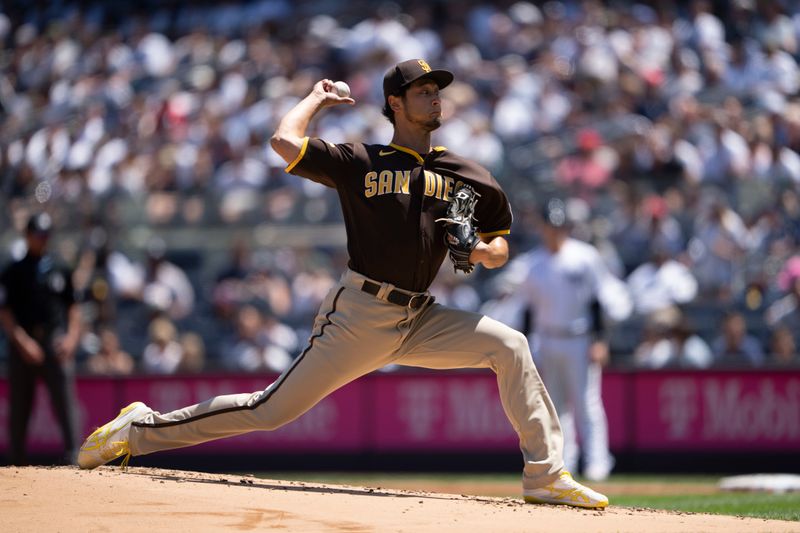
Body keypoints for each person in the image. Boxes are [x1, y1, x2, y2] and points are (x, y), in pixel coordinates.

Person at [76, 59, 608, 509]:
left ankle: (544, 475)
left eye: (437, 92)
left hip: (421, 317)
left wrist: (478, 249)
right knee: (269, 411)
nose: (435, 99)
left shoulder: (468, 174)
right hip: (359, 314)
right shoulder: (361, 160)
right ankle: (137, 431)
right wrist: (316, 97)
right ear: (395, 103)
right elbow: (285, 141)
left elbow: (498, 251)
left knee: (510, 344)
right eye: (423, 92)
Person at [506, 198, 632, 482]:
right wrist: (527, 346)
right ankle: (567, 462)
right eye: (551, 227)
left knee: (587, 402)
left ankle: (598, 462)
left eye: (560, 227)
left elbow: (598, 301)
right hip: (547, 338)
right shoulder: (533, 263)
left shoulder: (584, 257)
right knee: (555, 405)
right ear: (543, 228)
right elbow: (526, 309)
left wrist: (600, 340)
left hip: (580, 338)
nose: (555, 232)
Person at [0, 213, 81, 465]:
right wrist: (22, 342)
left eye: (46, 235)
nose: (43, 240)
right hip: (24, 344)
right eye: (38, 235)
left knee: (65, 404)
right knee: (20, 407)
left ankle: (74, 458)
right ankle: (16, 461)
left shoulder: (60, 267)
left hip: (54, 342)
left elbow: (74, 307)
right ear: (27, 236)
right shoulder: (14, 270)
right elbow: (5, 311)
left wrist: (71, 340)